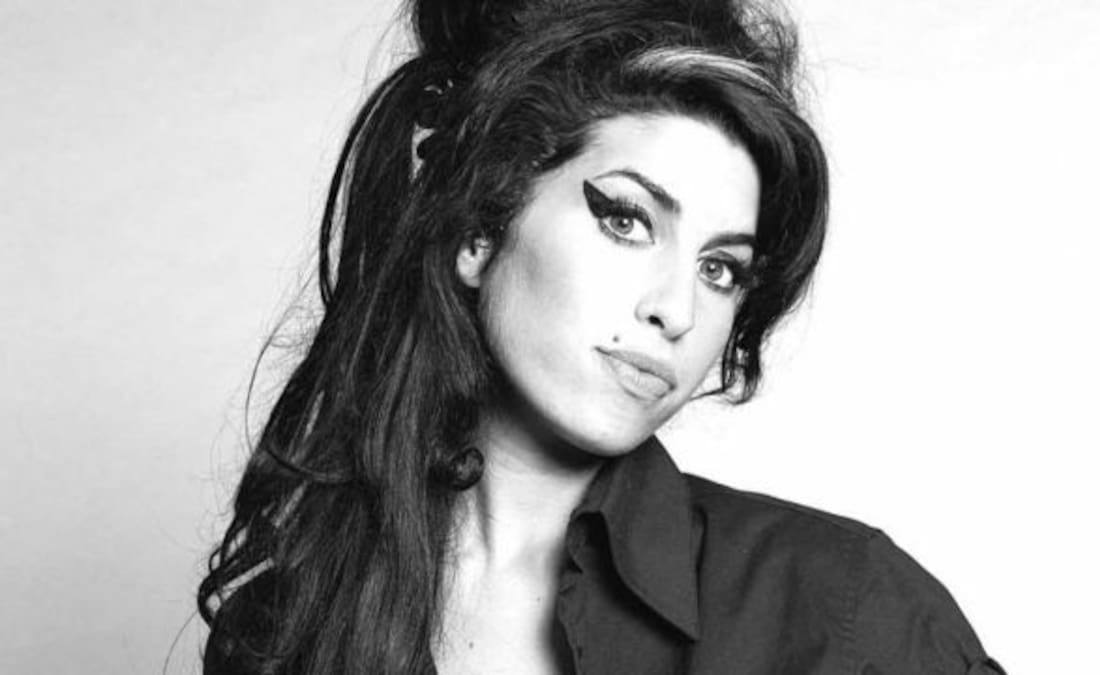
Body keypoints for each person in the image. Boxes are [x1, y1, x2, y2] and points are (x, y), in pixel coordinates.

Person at [198, 0, 1006, 673]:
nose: (677, 310)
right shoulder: (289, 622)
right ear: (480, 227)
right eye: (627, 221)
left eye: (720, 268)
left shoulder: (848, 614)